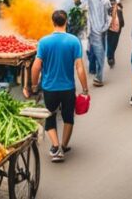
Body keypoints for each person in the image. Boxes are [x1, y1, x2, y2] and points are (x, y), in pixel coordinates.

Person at [26, 10, 88, 163]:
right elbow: (79, 67)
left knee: (50, 117)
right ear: (66, 21)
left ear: (52, 22)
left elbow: (36, 67)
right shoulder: (74, 41)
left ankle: (55, 147)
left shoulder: (44, 42)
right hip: (68, 88)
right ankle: (64, 145)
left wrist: (33, 86)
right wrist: (85, 88)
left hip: (49, 88)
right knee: (68, 117)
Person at [81, 0, 111, 87]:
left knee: (92, 48)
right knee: (100, 51)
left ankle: (94, 70)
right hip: (102, 27)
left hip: (90, 28)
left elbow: (81, 9)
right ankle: (98, 77)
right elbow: (108, 9)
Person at [105, 0, 125, 69]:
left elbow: (121, 7)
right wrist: (114, 8)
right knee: (110, 43)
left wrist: (118, 4)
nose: (113, 4)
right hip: (110, 28)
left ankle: (111, 57)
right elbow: (112, 17)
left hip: (117, 29)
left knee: (114, 44)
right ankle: (110, 58)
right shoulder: (108, 10)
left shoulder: (119, 8)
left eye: (114, 3)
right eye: (112, 3)